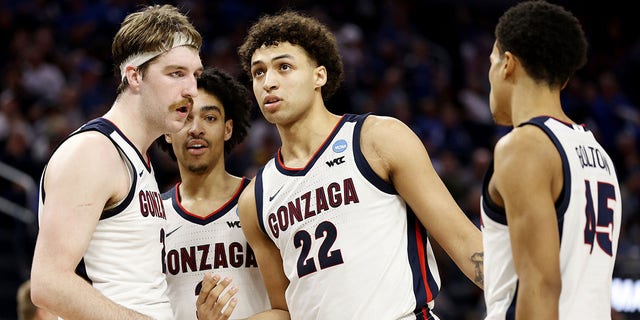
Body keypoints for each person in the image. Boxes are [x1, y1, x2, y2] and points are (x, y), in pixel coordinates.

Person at [229, 10, 483, 319]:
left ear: (318, 76)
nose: (268, 82)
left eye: (284, 67)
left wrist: (530, 300)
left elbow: (463, 242)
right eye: (258, 72)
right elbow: (284, 310)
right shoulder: (255, 199)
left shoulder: (377, 139)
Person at [29, 5, 203, 319]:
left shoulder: (136, 158)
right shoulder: (94, 152)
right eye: (176, 73)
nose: (191, 89)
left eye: (195, 75)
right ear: (134, 76)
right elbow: (49, 283)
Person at [481, 1, 622, 319]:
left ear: (507, 64)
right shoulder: (597, 153)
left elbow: (541, 284)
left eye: (490, 62)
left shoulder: (523, 146)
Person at [158, 67, 270, 319]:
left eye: (209, 118)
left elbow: (292, 306)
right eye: (185, 117)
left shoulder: (262, 201)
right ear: (166, 130)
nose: (196, 129)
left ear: (227, 129)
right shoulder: (150, 219)